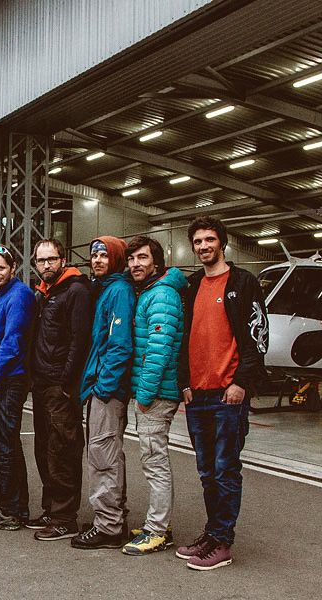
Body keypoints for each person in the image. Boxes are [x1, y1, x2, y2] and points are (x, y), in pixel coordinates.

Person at [176, 216, 268, 570]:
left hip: (228, 395)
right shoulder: (192, 285)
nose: (204, 246)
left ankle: (223, 542)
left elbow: (258, 336)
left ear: (222, 243)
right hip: (197, 395)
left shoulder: (243, 283)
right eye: (198, 241)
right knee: (207, 472)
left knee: (225, 469)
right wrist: (184, 383)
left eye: (210, 239)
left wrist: (241, 382)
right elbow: (185, 336)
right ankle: (212, 533)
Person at [122, 235, 187, 557]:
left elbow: (159, 351)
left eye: (142, 258)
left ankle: (157, 531)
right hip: (154, 392)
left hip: (157, 394)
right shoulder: (151, 291)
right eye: (131, 258)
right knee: (153, 460)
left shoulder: (161, 295)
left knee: (154, 462)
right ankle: (160, 525)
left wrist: (144, 395)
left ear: (156, 263)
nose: (135, 264)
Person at [27, 238, 94, 541]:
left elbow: (80, 341)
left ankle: (65, 517)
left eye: (51, 259)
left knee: (62, 451)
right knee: (45, 450)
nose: (46, 265)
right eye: (41, 261)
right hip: (43, 385)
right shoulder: (45, 293)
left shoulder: (76, 291)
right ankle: (51, 509)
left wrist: (68, 384)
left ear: (63, 260)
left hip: (60, 387)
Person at [72, 237, 135, 549]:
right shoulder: (107, 289)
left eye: (104, 255)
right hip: (101, 387)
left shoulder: (119, 290)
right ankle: (111, 519)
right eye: (94, 255)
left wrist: (104, 388)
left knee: (103, 455)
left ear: (117, 258)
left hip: (107, 390)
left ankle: (109, 527)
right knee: (105, 453)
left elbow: (119, 345)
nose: (96, 260)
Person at [0, 245, 36, 531]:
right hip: (5, 380)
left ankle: (10, 510)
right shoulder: (4, 296)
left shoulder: (18, 295)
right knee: (7, 446)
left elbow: (13, 342)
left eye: (1, 267)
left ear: (13, 268)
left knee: (3, 448)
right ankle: (15, 508)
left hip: (8, 382)